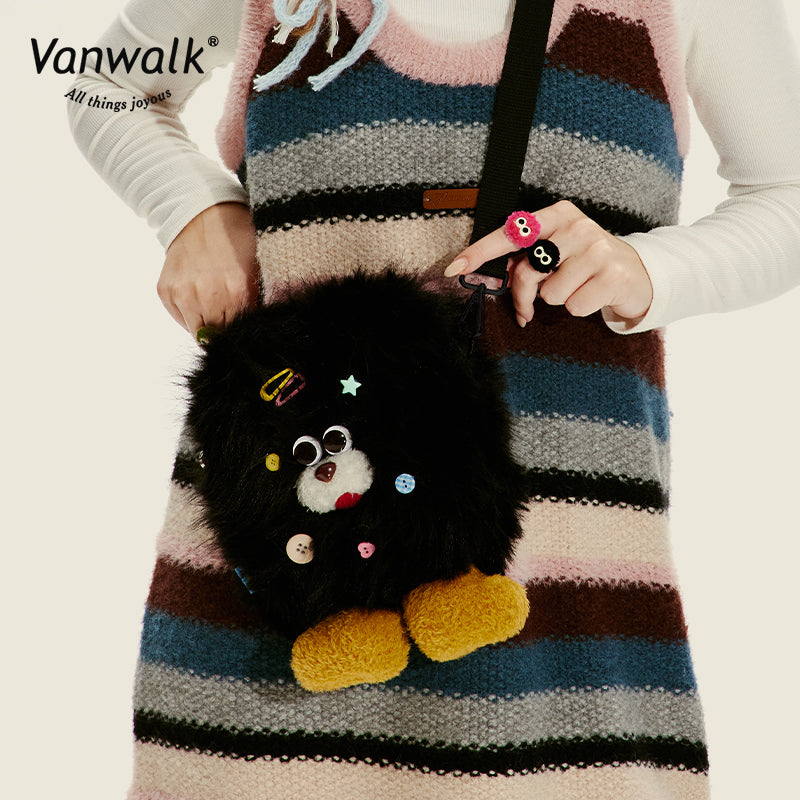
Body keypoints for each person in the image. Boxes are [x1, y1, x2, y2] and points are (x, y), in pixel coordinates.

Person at [68, 1, 800, 798]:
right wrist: (194, 210)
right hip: (279, 620)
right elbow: (103, 83)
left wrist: (648, 270)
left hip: (570, 637)